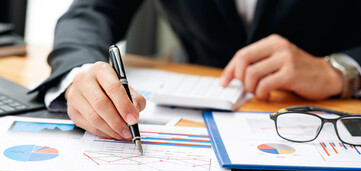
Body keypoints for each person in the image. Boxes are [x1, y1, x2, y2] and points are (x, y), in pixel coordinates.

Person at [31, 0, 361, 141]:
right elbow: (90, 11)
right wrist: (80, 72)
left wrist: (342, 70)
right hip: (194, 109)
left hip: (324, 114)